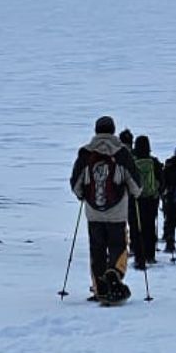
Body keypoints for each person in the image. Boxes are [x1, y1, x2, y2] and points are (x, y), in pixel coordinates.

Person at [69, 116, 142, 302]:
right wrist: (133, 193)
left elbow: (75, 184)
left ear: (96, 130)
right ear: (113, 130)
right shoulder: (122, 153)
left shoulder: (85, 153)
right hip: (117, 212)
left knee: (97, 250)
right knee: (119, 246)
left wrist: (82, 196)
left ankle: (100, 289)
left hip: (93, 212)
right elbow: (136, 185)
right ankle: (114, 273)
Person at [128, 135, 163, 269]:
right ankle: (150, 256)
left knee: (137, 229)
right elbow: (161, 180)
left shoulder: (131, 162)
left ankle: (139, 257)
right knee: (149, 227)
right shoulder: (154, 162)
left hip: (135, 200)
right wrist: (157, 192)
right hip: (151, 200)